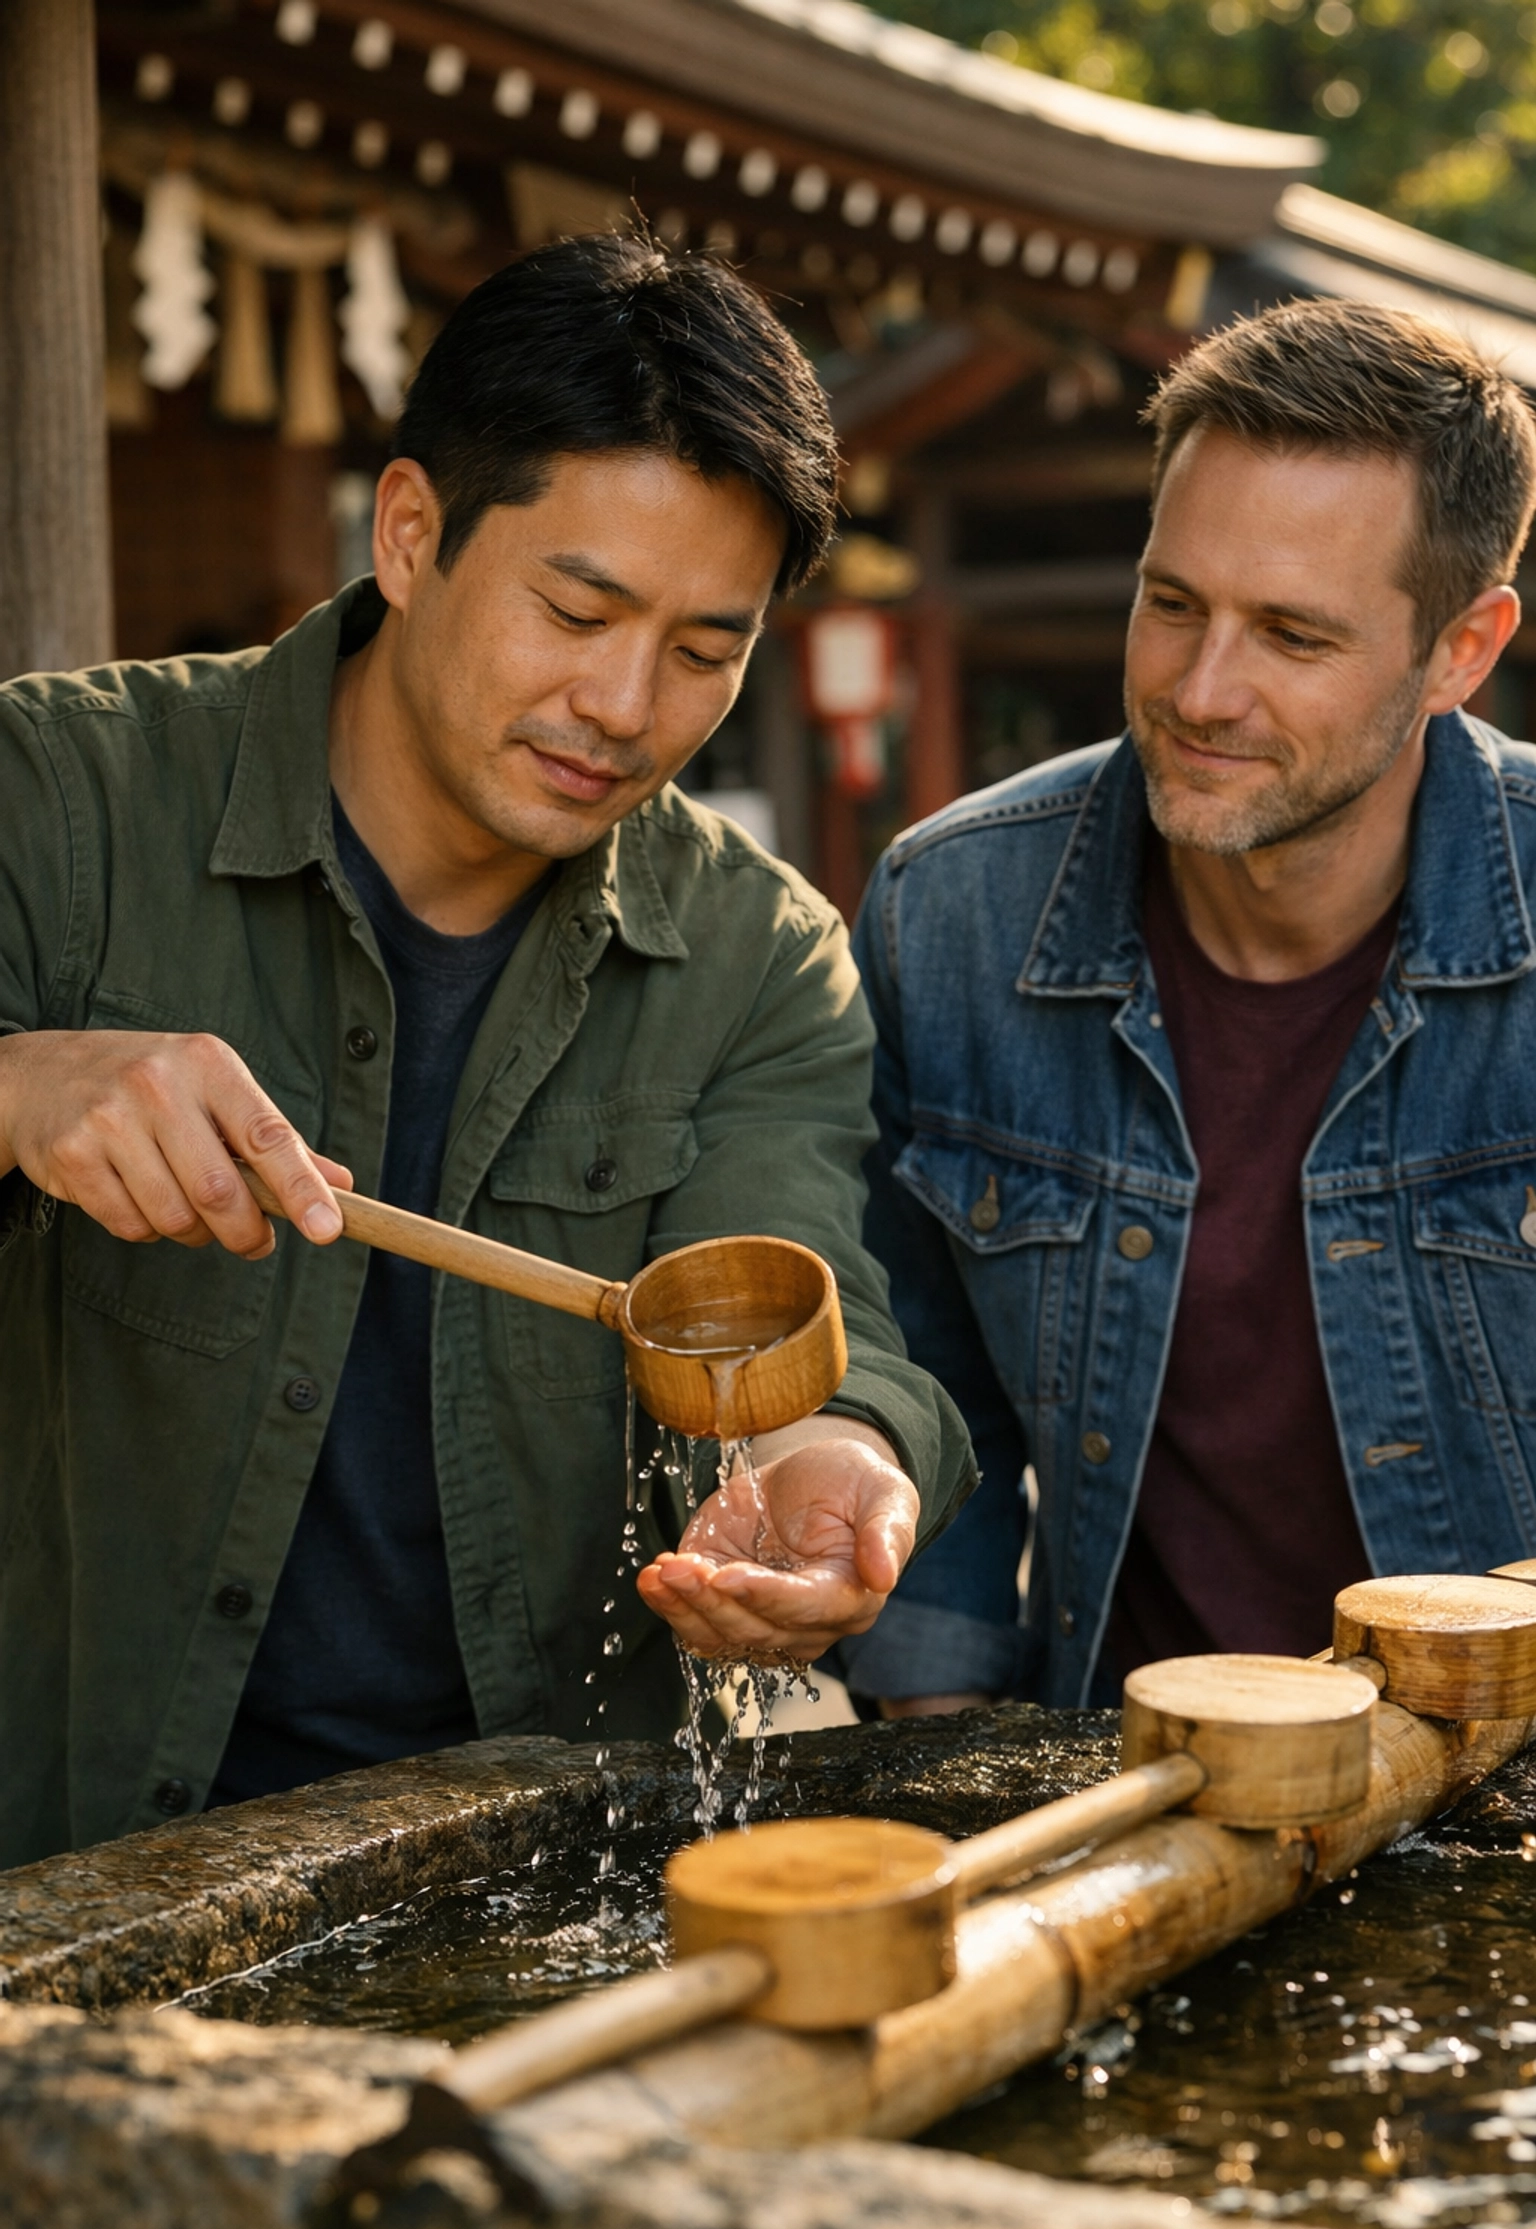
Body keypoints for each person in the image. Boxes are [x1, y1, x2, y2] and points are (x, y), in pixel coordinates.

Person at [0, 234, 973, 1867]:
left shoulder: (755, 955)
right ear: (408, 532)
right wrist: (23, 1087)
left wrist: (834, 1460)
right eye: (576, 608)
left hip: (530, 1895)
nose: (620, 702)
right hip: (62, 1857)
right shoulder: (62, 803)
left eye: (702, 651)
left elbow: (793, 1285)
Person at [843, 297, 1536, 1715]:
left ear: (1461, 651)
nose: (1200, 689)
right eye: (1173, 604)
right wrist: (947, 1760)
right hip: (1124, 1772)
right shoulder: (954, 916)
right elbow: (934, 1390)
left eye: (1291, 634)